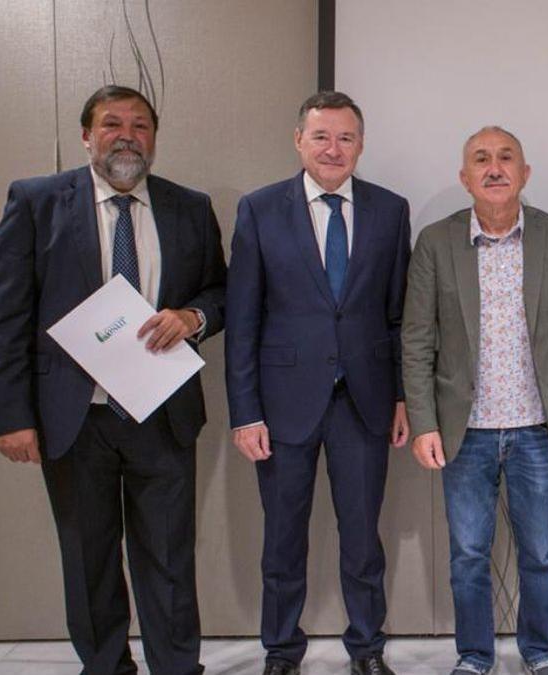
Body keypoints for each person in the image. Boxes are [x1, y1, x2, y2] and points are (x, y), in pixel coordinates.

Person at [0, 84, 226, 675]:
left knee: (168, 558)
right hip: (74, 417)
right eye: (112, 124)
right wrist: (11, 417)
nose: (126, 136)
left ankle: (177, 667)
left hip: (161, 412)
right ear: (87, 135)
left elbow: (223, 290)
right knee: (88, 558)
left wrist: (193, 317)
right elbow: (3, 318)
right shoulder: (37, 201)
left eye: (140, 126)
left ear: (155, 139)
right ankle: (107, 666)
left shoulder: (189, 206)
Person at [224, 91, 410, 675]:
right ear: (298, 140)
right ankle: (281, 650)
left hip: (364, 401)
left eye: (346, 138)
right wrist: (245, 412)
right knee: (282, 540)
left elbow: (398, 314)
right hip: (282, 407)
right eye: (322, 137)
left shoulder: (390, 209)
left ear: (361, 144)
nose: (334, 149)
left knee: (362, 539)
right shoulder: (259, 209)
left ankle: (367, 648)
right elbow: (243, 321)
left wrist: (403, 395)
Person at [402, 126, 548, 675]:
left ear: (525, 173)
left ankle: (540, 654)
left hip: (539, 426)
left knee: (540, 554)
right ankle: (474, 656)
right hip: (465, 431)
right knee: (467, 557)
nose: (494, 168)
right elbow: (416, 341)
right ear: (464, 178)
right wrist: (423, 422)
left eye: (506, 158)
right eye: (481, 160)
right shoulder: (436, 243)